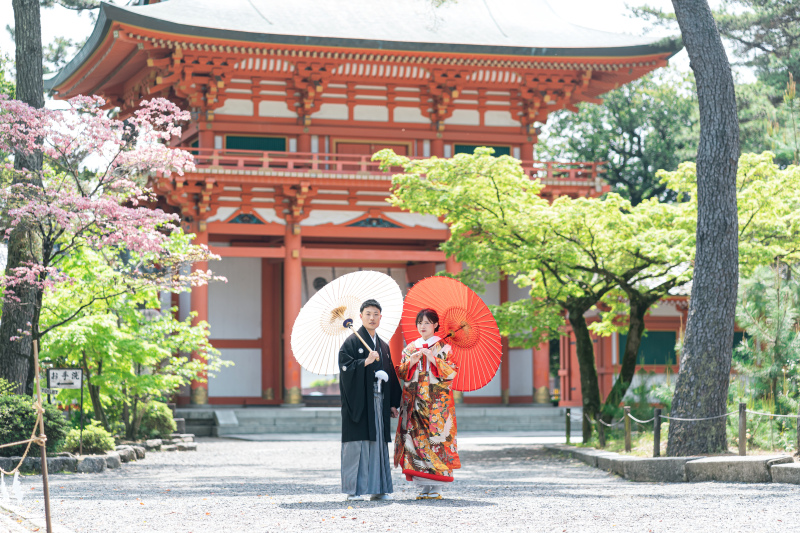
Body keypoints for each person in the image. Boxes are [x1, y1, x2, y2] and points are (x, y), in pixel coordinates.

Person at [338, 299, 401, 501]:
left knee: (378, 443)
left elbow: (391, 374)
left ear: (380, 317)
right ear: (360, 316)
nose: (372, 318)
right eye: (368, 314)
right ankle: (354, 490)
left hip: (379, 400)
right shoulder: (351, 342)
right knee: (358, 444)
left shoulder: (383, 346)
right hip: (359, 401)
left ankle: (379, 489)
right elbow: (345, 368)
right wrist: (365, 362)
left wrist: (393, 403)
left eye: (376, 314)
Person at [394, 308, 460, 500]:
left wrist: (433, 359)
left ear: (436, 325)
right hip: (414, 404)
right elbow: (401, 372)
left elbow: (452, 373)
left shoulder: (444, 348)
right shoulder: (410, 348)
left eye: (427, 322)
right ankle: (423, 486)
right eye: (420, 322)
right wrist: (411, 361)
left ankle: (437, 487)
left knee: (436, 440)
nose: (422, 326)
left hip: (436, 406)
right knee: (416, 442)